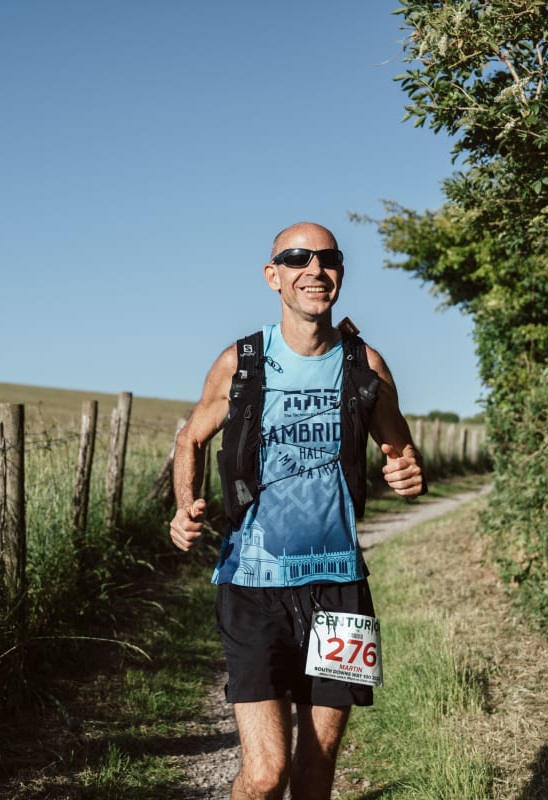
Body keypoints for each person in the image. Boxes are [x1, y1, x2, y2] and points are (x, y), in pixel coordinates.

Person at [169, 221, 426, 799]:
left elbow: (401, 452)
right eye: (297, 259)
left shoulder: (365, 364)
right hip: (251, 585)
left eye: (327, 259)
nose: (314, 270)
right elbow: (191, 437)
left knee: (315, 774)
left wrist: (410, 474)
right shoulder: (242, 361)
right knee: (265, 776)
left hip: (340, 588)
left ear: (341, 273)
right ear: (273, 276)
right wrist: (185, 508)